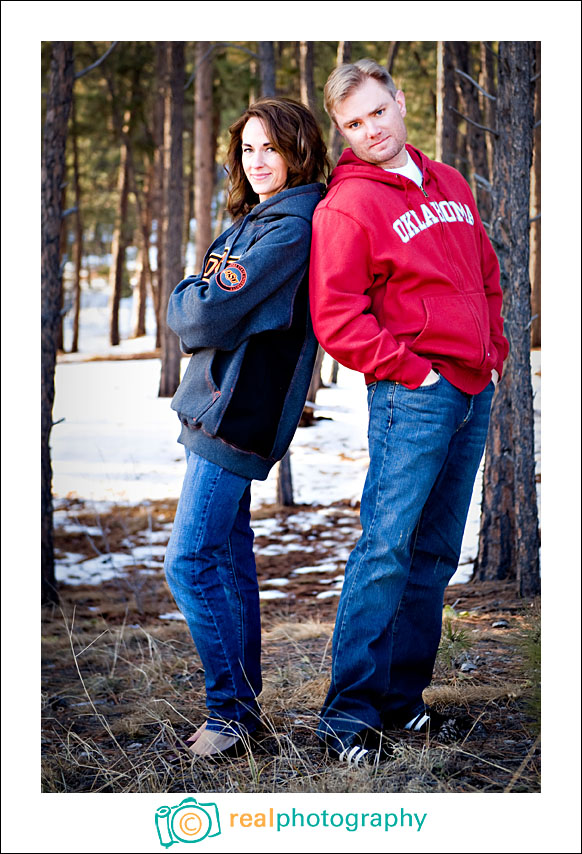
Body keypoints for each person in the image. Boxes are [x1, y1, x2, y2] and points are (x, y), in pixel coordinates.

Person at [309, 59, 509, 766]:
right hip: (413, 396)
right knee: (386, 549)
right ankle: (347, 718)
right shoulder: (348, 204)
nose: (370, 131)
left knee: (433, 554)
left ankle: (402, 699)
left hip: (472, 387)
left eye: (376, 112)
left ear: (399, 101)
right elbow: (337, 317)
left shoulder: (450, 182)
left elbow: (484, 274)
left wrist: (494, 352)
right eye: (352, 124)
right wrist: (414, 371)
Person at [164, 98, 329, 758]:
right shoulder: (257, 220)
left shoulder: (290, 229)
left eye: (271, 148)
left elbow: (199, 316)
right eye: (248, 149)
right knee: (227, 559)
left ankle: (229, 713)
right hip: (211, 405)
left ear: (299, 151)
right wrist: (198, 300)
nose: (256, 161)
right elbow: (212, 308)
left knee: (190, 562)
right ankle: (241, 713)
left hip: (237, 414)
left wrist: (188, 296)